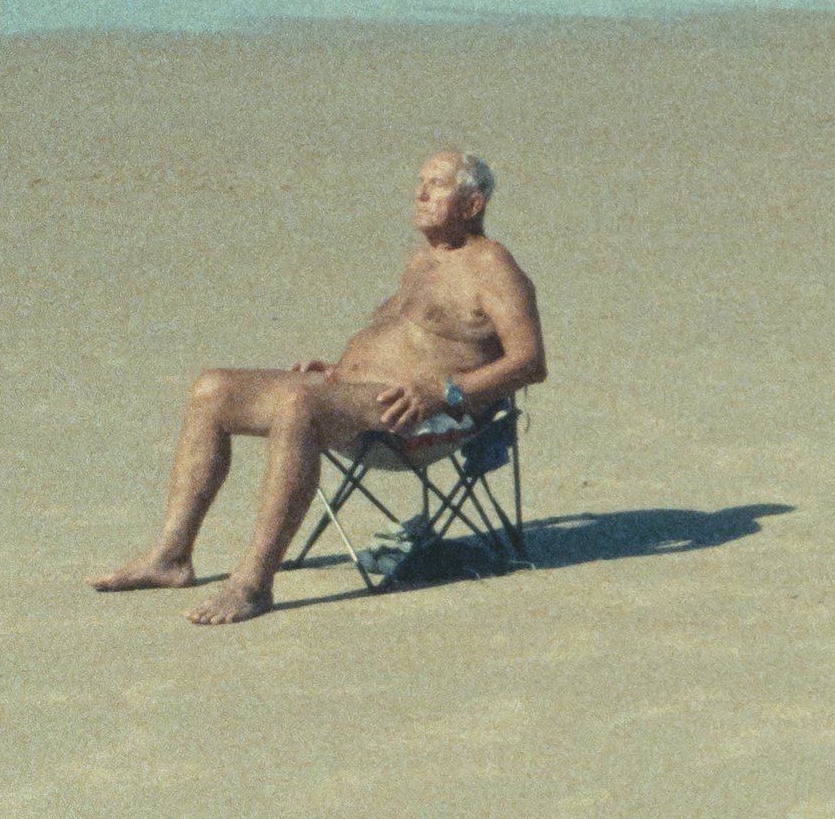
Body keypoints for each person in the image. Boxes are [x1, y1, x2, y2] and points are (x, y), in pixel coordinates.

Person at [92, 149, 546, 627]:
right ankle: (170, 557)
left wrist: (447, 391)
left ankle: (253, 581)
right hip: (357, 397)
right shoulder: (423, 261)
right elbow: (413, 338)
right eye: (420, 181)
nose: (420, 193)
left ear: (473, 205)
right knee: (211, 389)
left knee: (299, 405)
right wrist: (342, 367)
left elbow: (530, 362)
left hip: (428, 416)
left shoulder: (493, 267)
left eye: (437, 185)